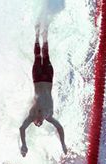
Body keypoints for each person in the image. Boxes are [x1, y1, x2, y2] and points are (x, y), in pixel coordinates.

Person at [19, 24, 67, 157]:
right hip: (49, 78)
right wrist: (63, 144)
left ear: (34, 121)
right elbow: (59, 127)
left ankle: (36, 34)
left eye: (37, 123)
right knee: (46, 55)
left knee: (37, 57)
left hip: (37, 78)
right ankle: (45, 35)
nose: (39, 122)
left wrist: (24, 144)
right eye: (41, 123)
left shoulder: (32, 114)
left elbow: (22, 128)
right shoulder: (49, 115)